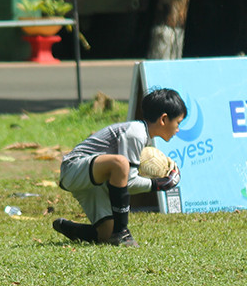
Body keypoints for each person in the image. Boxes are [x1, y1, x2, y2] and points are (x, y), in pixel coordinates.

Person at [52, 88, 186, 247]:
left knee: (105, 235)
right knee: (121, 163)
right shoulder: (136, 133)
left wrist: (160, 182)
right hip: (74, 168)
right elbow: (129, 182)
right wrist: (160, 184)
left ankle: (72, 228)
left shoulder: (143, 137)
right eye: (178, 123)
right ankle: (121, 232)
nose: (177, 130)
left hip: (94, 181)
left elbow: (125, 182)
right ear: (164, 119)